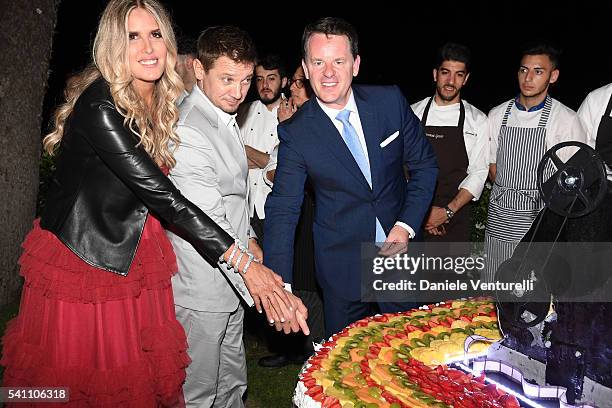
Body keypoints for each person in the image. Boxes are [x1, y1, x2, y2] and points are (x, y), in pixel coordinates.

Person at [0, 2, 304, 406]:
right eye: (133, 35)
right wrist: (249, 267)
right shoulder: (100, 106)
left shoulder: (158, 98)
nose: (147, 47)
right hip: (85, 254)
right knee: (82, 379)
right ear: (113, 44)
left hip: (135, 244)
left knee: (139, 377)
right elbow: (167, 199)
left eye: (155, 34)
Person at [263, 17, 438, 338]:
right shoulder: (297, 132)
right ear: (305, 67)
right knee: (344, 367)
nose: (328, 72)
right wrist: (279, 290)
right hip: (341, 268)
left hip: (399, 256)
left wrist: (405, 225)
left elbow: (425, 166)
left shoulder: (389, 103)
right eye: (318, 62)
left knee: (410, 351)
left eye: (338, 61)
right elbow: (283, 211)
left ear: (355, 64)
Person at [485, 42, 587, 281]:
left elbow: (573, 182)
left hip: (540, 222)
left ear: (553, 76)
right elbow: (493, 168)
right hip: (499, 219)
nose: (528, 78)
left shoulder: (566, 120)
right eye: (523, 70)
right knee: (493, 290)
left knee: (532, 294)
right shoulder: (497, 114)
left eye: (538, 71)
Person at [258, 64, 326, 368]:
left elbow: (301, 171)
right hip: (295, 211)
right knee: (296, 281)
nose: (292, 88)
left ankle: (317, 354)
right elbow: (273, 169)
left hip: (316, 211)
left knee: (313, 285)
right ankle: (295, 348)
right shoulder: (292, 122)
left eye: (298, 83)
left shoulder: (320, 122)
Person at [411, 42, 488, 242]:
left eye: (459, 74)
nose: (450, 81)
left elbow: (479, 172)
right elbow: (401, 167)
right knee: (410, 273)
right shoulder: (412, 113)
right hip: (413, 214)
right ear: (435, 74)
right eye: (445, 72)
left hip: (455, 217)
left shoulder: (477, 120)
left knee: (448, 274)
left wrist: (446, 212)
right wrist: (424, 212)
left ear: (466, 79)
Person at [237, 54, 287, 240]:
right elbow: (232, 159)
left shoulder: (294, 114)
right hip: (245, 207)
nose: (265, 84)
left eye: (271, 78)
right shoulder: (241, 111)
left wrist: (245, 150)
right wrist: (266, 160)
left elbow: (282, 167)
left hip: (275, 208)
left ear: (283, 82)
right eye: (259, 79)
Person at [175, 34, 197, 105]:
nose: (168, 68)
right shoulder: (172, 99)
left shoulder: (211, 95)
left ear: (189, 63)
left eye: (174, 63)